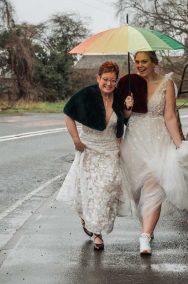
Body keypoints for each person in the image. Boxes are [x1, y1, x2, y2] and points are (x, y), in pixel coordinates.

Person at [120, 51, 188, 255]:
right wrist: (127, 109)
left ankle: (145, 237)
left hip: (158, 141)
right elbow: (122, 117)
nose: (139, 65)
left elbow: (170, 117)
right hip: (134, 141)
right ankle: (146, 223)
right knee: (137, 191)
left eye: (144, 61)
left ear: (154, 62)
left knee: (154, 186)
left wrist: (179, 145)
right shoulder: (129, 83)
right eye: (136, 62)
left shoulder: (166, 84)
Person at [57, 61, 129, 251]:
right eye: (105, 79)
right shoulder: (87, 94)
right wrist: (75, 140)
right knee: (90, 191)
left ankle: (96, 226)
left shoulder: (120, 96)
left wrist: (128, 109)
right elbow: (67, 113)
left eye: (113, 80)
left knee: (107, 189)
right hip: (89, 148)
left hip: (110, 149)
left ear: (116, 81)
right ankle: (96, 233)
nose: (108, 83)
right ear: (98, 78)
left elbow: (123, 121)